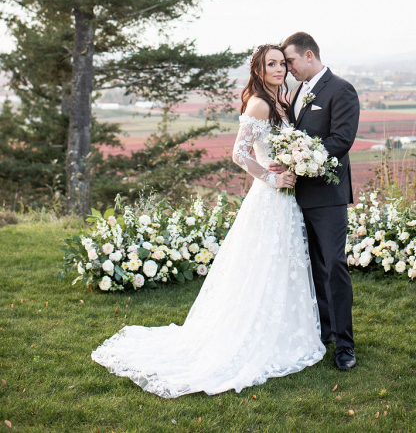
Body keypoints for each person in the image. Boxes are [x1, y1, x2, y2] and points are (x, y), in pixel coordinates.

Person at [91, 44, 325, 397]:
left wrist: (293, 164)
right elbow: (239, 154)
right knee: (262, 264)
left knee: (282, 264)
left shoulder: (285, 98)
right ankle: (249, 335)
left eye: (281, 63)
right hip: (269, 197)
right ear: (259, 71)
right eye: (271, 64)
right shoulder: (260, 103)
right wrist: (272, 177)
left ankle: (285, 331)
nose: (279, 69)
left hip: (286, 200)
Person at [277, 32, 360, 371]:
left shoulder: (341, 90)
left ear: (308, 55)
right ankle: (323, 332)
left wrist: (302, 158)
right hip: (297, 196)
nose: (287, 69)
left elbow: (341, 139)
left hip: (327, 195)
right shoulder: (296, 91)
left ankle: (345, 345)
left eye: (290, 62)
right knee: (312, 266)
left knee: (334, 266)